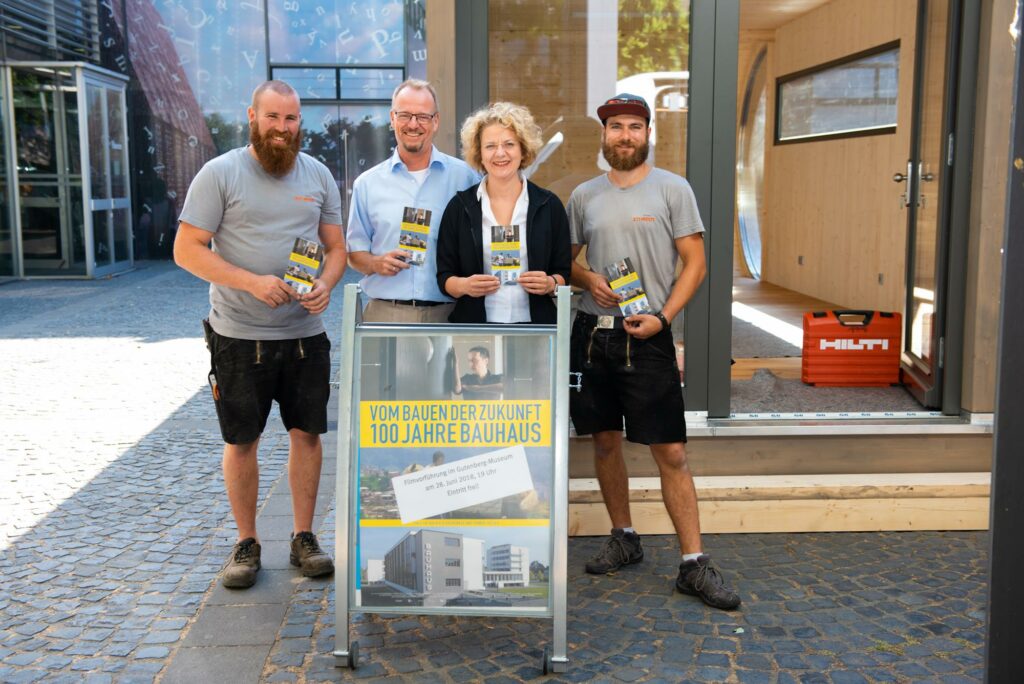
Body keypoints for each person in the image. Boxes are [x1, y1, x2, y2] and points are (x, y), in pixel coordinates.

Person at [567, 93, 740, 610]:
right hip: (593, 335)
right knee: (603, 442)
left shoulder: (673, 189)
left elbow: (696, 264)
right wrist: (589, 278)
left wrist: (663, 318)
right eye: (615, 126)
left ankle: (693, 563)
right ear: (603, 135)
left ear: (648, 134)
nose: (624, 135)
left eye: (634, 127)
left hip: (649, 335)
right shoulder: (583, 196)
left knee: (671, 452)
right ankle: (625, 536)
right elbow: (566, 261)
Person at [174, 80, 343, 589]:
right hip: (237, 335)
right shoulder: (219, 172)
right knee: (242, 440)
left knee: (307, 436)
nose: (282, 128)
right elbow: (187, 250)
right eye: (272, 117)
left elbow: (335, 247)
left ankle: (303, 538)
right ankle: (247, 543)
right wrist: (251, 282)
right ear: (252, 116)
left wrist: (326, 284)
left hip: (304, 335)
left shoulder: (318, 174)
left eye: (291, 119)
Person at [346, 79, 479, 322]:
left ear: (436, 121)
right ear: (392, 118)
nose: (413, 124)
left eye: (423, 117)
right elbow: (354, 255)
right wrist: (376, 263)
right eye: (405, 115)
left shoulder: (466, 178)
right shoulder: (367, 184)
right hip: (386, 315)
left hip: (449, 315)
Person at [436, 101, 572, 324]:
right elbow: (444, 276)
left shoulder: (549, 205)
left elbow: (563, 273)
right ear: (479, 154)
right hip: (476, 336)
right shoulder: (460, 207)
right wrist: (465, 286)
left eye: (509, 144)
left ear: (523, 149)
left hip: (536, 331)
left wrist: (550, 284)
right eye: (490, 146)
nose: (500, 153)